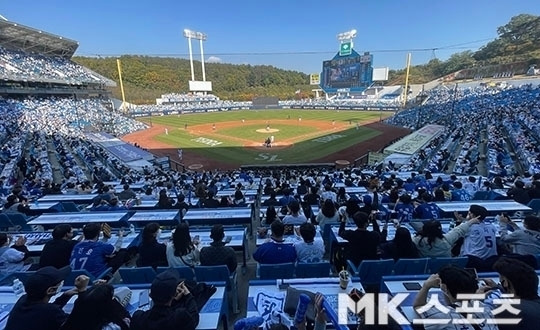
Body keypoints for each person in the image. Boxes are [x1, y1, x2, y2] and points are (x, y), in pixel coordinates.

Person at [413, 265, 497, 330]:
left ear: (445, 288)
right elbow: (454, 305)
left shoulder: (443, 316)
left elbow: (418, 306)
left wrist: (426, 286)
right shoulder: (486, 309)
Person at [5, 267, 88, 330]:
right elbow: (79, 323)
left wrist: (66, 295)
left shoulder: (23, 299)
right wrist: (83, 291)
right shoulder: (51, 312)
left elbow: (44, 311)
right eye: (60, 282)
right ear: (50, 290)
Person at [478, 257, 540, 329]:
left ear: (505, 283)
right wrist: (498, 287)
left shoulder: (509, 310)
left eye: (501, 281)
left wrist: (476, 302)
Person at [130, 269, 199, 330]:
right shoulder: (179, 317)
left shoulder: (138, 318)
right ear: (174, 295)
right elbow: (194, 319)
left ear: (150, 295)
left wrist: (173, 301)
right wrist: (188, 295)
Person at [60, 283, 130, 330]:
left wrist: (97, 290)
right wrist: (112, 300)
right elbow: (127, 319)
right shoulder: (111, 327)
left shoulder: (69, 321)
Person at [412, 218, 478, 258]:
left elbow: (404, 237)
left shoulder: (417, 241)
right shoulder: (447, 239)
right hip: (445, 270)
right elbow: (459, 230)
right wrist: (471, 221)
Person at [460, 204, 498, 271]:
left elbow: (456, 233)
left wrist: (463, 221)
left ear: (472, 215)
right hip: (491, 260)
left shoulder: (469, 227)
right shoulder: (491, 227)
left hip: (475, 261)